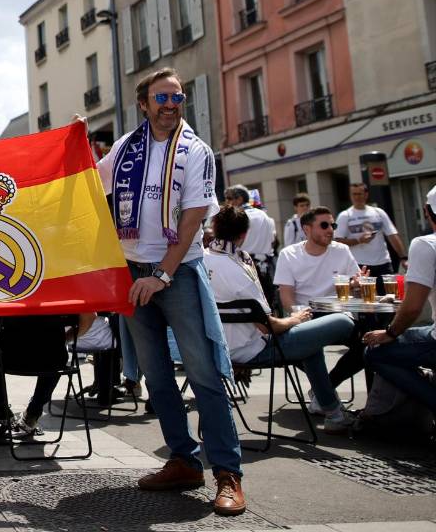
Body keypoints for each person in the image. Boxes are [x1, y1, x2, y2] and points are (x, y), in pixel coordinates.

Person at [94, 68, 244, 516]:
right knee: (157, 377)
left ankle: (227, 473)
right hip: (132, 270)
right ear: (144, 103)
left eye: (177, 98)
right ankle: (182, 460)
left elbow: (195, 217)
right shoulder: (124, 148)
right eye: (161, 97)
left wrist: (160, 274)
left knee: (201, 373)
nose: (169, 105)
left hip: (175, 273)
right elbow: (88, 185)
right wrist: (70, 143)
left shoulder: (197, 151)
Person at [203, 205, 357, 433]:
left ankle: (332, 410)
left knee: (310, 344)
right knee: (343, 322)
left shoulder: (201, 261)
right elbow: (270, 327)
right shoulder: (239, 269)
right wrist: (296, 319)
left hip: (213, 347)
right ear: (244, 235)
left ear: (214, 228)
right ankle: (332, 410)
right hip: (250, 349)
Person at [0, 312, 109, 441]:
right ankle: (33, 413)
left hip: (11, 357)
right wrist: (67, 337)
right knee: (56, 354)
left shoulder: (7, 282)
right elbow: (90, 316)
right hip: (52, 357)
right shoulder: (65, 284)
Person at [276, 206, 372, 396]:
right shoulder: (289, 254)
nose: (330, 229)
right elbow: (286, 295)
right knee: (293, 347)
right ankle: (326, 396)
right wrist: (297, 315)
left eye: (333, 225)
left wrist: (356, 284)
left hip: (339, 315)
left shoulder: (342, 250)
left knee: (370, 346)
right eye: (324, 225)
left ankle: (325, 388)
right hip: (306, 315)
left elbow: (355, 283)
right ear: (307, 229)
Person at [363, 183, 436, 414]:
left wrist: (389, 333)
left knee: (374, 352)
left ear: (427, 211)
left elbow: (413, 308)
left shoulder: (426, 244)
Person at [335, 183, 407, 283]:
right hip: (359, 265)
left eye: (359, 194)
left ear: (366, 194)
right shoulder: (345, 215)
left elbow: (392, 235)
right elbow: (338, 241)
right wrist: (358, 240)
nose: (357, 197)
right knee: (365, 297)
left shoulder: (378, 212)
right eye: (354, 194)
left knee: (389, 296)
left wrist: (403, 257)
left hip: (383, 262)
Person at [225, 185, 277, 307]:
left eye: (229, 198)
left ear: (239, 199)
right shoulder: (265, 215)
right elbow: (273, 241)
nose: (227, 202)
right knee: (268, 307)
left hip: (244, 267)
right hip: (266, 267)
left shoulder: (237, 217)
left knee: (249, 308)